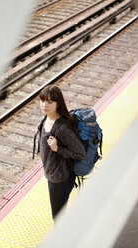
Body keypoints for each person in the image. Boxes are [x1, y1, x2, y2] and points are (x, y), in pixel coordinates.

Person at [37, 85, 86, 220]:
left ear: (58, 104)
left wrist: (57, 149)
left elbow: (80, 154)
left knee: (57, 216)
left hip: (60, 178)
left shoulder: (62, 128)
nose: (44, 105)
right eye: (42, 100)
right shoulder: (46, 118)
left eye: (50, 102)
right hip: (52, 174)